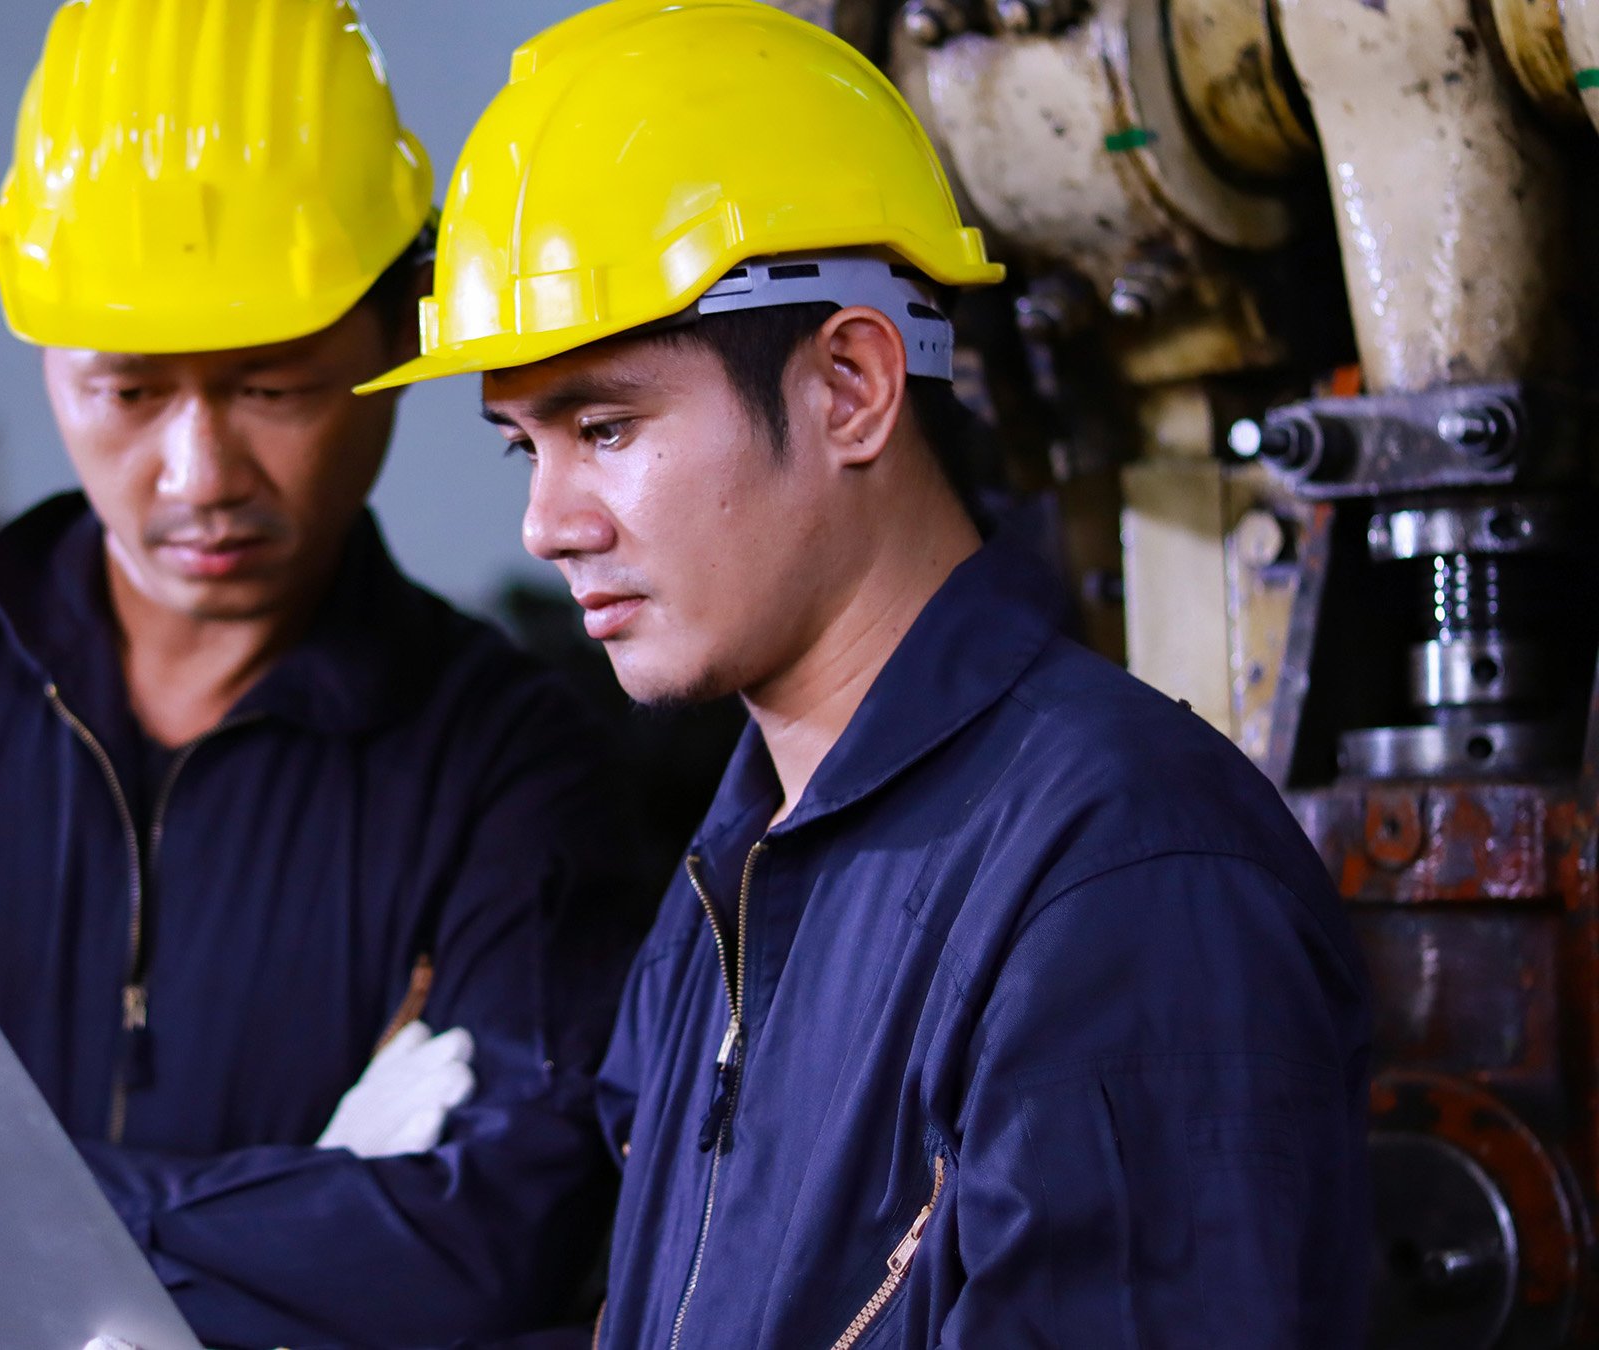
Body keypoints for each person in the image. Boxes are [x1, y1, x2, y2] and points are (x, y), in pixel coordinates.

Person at [0, 2, 642, 1345]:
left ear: (402, 336)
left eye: (273, 389)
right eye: (130, 393)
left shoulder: (509, 769)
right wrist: (300, 1213)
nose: (199, 475)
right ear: (47, 356)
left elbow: (498, 1245)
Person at [359, 1, 1375, 1345]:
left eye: (604, 426)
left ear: (850, 385)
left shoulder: (1123, 879)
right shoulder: (729, 894)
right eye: (524, 448)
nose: (549, 522)